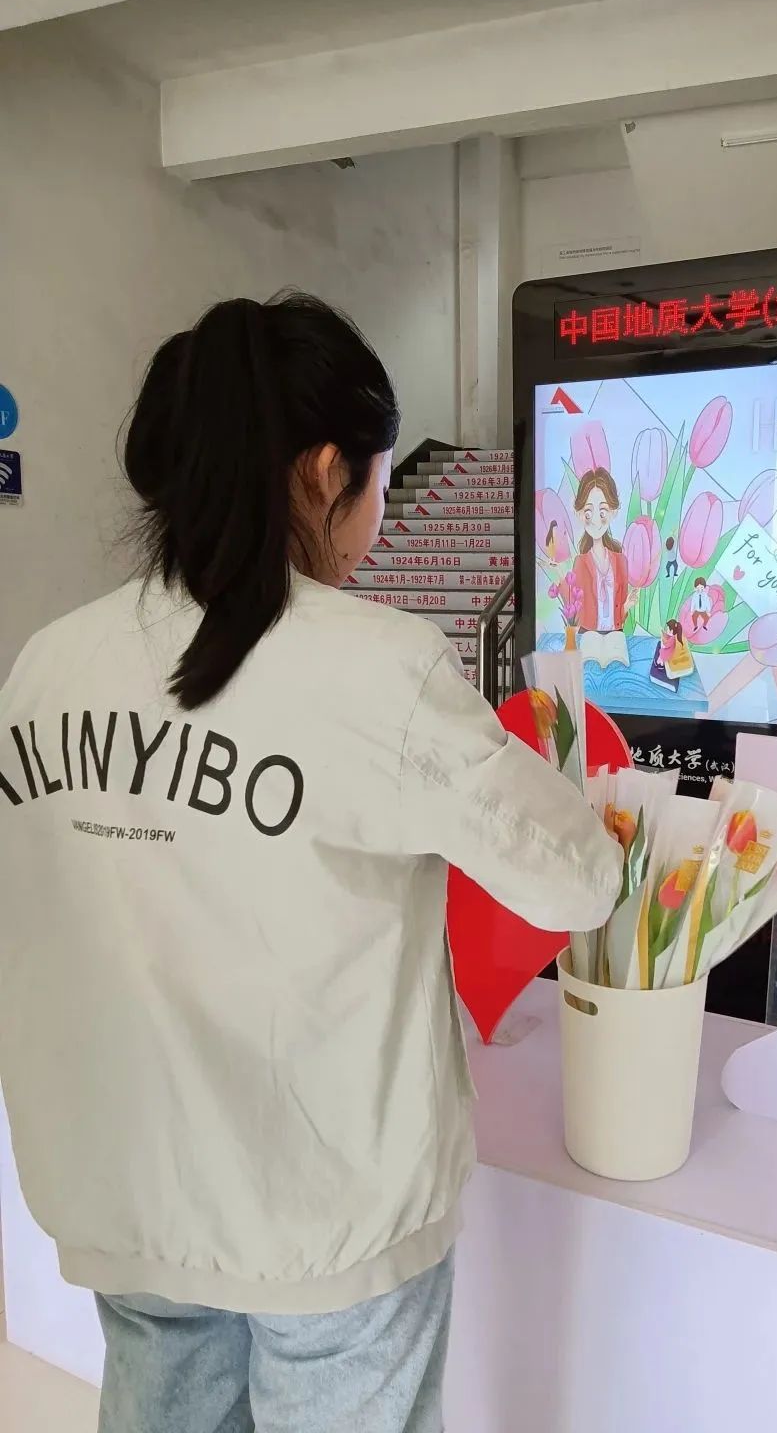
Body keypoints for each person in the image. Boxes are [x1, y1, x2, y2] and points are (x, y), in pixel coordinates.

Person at [0, 294, 621, 1433]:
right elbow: (575, 878)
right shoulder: (376, 665)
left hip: (122, 1191)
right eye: (379, 482)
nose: (378, 517)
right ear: (326, 471)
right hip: (326, 1211)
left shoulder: (46, 665)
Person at [571, 467, 629, 633]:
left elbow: (621, 613)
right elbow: (575, 607)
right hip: (588, 633)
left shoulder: (620, 561)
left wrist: (628, 605)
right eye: (588, 513)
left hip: (615, 633)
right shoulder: (580, 563)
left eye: (602, 512)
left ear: (613, 512)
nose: (596, 520)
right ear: (579, 514)